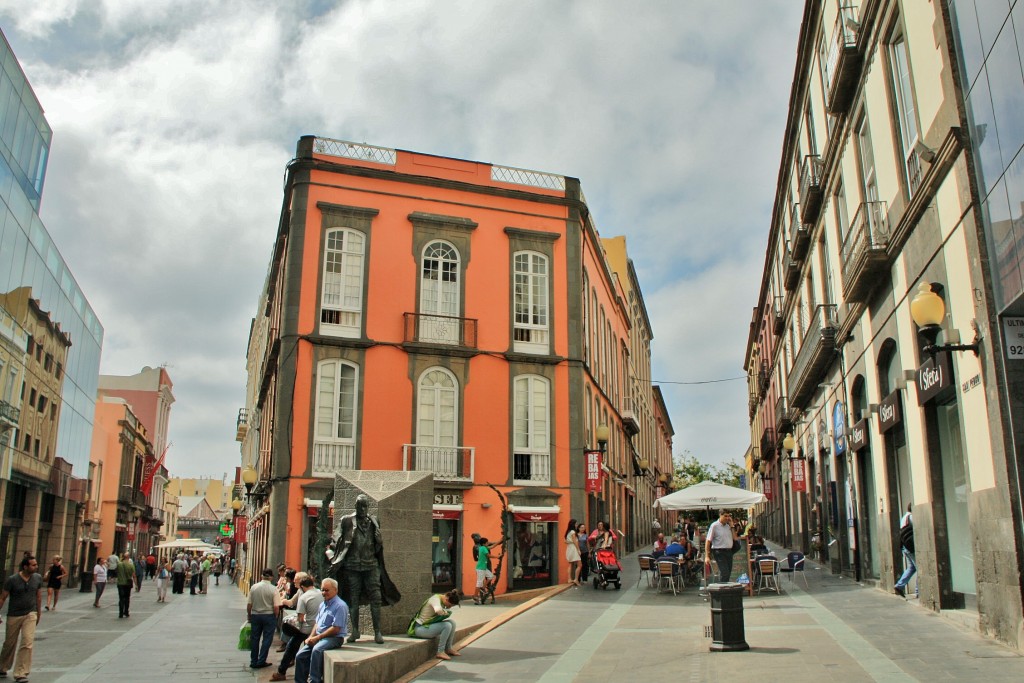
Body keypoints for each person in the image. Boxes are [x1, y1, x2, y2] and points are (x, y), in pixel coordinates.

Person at [328, 494, 398, 644]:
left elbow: (377, 546)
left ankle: (377, 632)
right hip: (352, 566)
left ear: (368, 507)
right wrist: (333, 559)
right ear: (355, 506)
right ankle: (355, 631)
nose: (363, 509)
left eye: (365, 506)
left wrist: (380, 541)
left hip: (371, 565)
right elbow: (334, 542)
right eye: (360, 506)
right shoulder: (346, 521)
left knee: (376, 598)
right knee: (353, 600)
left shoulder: (374, 521)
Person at [294, 578, 347, 683]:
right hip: (319, 636)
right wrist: (310, 637)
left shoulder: (340, 606)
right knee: (300, 656)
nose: (324, 593)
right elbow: (317, 624)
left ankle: (314, 680)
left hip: (334, 638)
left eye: (327, 590)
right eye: (322, 590)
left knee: (317, 650)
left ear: (335, 590)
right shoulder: (322, 604)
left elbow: (336, 629)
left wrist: (318, 638)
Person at [271, 575, 323, 681]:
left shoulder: (304, 597)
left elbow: (300, 618)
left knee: (290, 647)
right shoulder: (320, 593)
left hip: (306, 629)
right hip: (319, 627)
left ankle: (281, 672)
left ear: (302, 587)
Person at [0, 555, 42, 682]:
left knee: (27, 642)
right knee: (9, 643)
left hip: (30, 613)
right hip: (14, 614)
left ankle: (21, 672)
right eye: (33, 565)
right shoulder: (12, 580)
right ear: (25, 566)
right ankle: (2, 667)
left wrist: (38, 613)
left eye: (36, 564)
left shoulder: (37, 578)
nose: (36, 566)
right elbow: (3, 597)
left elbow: (38, 596)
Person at [408, 589, 461, 661]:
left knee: (452, 623)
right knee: (447, 625)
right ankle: (440, 652)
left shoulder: (441, 600)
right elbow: (438, 610)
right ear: (446, 599)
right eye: (449, 605)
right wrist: (445, 612)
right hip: (419, 629)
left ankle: (448, 648)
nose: (449, 607)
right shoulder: (435, 599)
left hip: (427, 626)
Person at [247, 568, 280, 669]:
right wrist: (276, 616)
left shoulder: (254, 587)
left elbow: (249, 604)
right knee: (267, 639)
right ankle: (261, 661)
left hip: (255, 615)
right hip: (269, 615)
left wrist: (249, 615)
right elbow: (276, 607)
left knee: (255, 639)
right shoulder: (273, 589)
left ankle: (253, 661)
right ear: (271, 577)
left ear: (261, 576)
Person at [704, 510, 736, 583]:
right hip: (719, 551)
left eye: (728, 516)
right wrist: (707, 556)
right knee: (724, 572)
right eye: (725, 516)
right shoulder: (714, 525)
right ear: (720, 515)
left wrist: (732, 526)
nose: (727, 518)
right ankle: (722, 589)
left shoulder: (728, 527)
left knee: (728, 572)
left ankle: (724, 587)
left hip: (729, 551)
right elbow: (708, 541)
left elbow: (735, 538)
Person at [894, 503, 916, 598]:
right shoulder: (910, 517)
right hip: (910, 547)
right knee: (919, 568)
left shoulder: (904, 517)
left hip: (905, 547)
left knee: (911, 568)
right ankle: (919, 591)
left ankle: (899, 585)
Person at [473, 537, 495, 604]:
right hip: (481, 567)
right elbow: (488, 555)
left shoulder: (483, 548)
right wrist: (497, 557)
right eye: (487, 542)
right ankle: (475, 596)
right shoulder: (482, 548)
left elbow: (492, 546)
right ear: (484, 543)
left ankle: (483, 587)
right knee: (479, 582)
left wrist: (500, 541)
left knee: (491, 576)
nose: (488, 543)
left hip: (484, 567)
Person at [115, 551, 135, 618]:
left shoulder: (119, 564)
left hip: (120, 583)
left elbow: (116, 572)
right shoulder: (131, 565)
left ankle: (120, 613)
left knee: (121, 598)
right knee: (127, 598)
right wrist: (136, 584)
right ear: (128, 557)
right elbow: (134, 575)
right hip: (127, 584)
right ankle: (126, 612)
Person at [564, 519, 581, 587]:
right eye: (576, 524)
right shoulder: (573, 532)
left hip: (569, 548)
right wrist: (578, 550)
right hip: (573, 548)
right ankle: (576, 579)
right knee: (580, 564)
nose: (577, 525)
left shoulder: (568, 532)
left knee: (570, 564)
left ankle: (569, 579)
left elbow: (565, 541)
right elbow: (575, 541)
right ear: (573, 524)